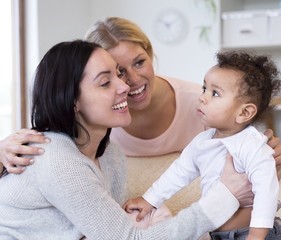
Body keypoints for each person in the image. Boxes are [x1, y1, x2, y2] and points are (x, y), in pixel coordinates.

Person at [0, 40, 248, 239]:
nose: (124, 87)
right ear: (72, 101)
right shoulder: (56, 159)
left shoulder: (111, 155)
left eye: (117, 75)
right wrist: (224, 197)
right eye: (106, 82)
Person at [0, 17, 281, 175]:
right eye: (116, 72)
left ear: (150, 54)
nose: (132, 82)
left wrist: (270, 159)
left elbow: (251, 171)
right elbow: (51, 142)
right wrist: (4, 149)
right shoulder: (94, 116)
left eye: (139, 62)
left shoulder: (198, 104)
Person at [124, 50, 281, 239]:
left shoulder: (252, 145)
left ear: (244, 113)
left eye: (215, 93)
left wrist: (256, 236)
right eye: (204, 89)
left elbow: (266, 192)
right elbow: (179, 172)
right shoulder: (202, 141)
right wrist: (150, 200)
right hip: (215, 234)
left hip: (251, 233)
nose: (203, 97)